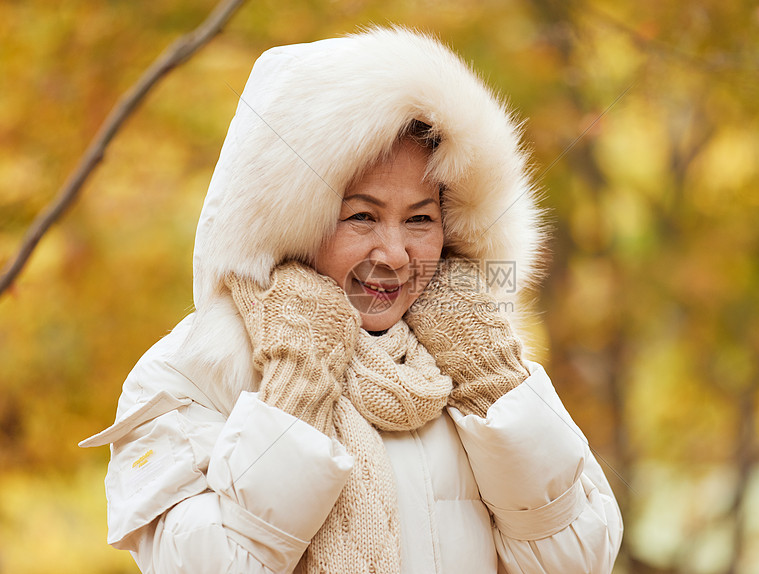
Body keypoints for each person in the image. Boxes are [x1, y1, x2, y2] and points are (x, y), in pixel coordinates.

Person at [81, 27, 623, 573]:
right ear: (290, 221)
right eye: (361, 216)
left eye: (419, 219)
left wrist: (492, 381)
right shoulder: (193, 374)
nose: (394, 255)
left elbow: (578, 561)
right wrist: (296, 389)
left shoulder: (477, 363)